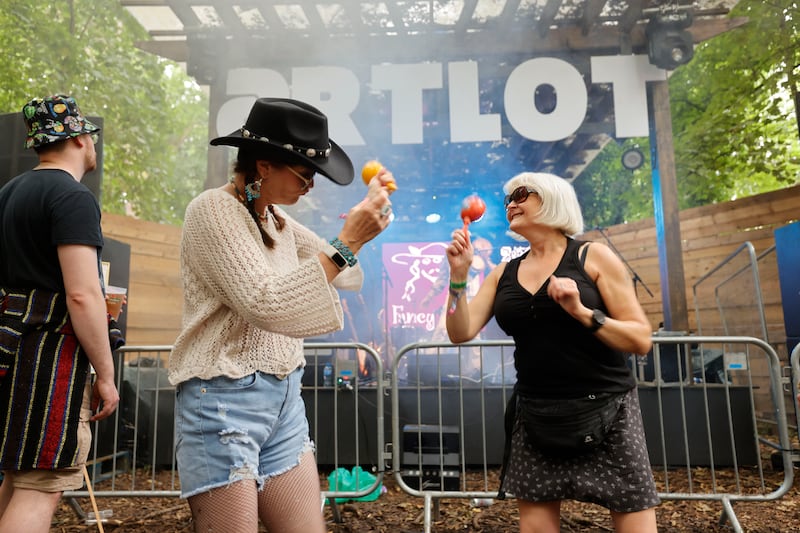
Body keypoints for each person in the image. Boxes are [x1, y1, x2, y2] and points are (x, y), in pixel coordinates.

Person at [168, 97, 394, 533]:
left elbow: (346, 275)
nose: (311, 185)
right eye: (305, 173)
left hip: (284, 399)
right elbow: (265, 303)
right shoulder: (212, 210)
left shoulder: (278, 222)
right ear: (265, 165)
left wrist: (369, 220)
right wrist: (347, 240)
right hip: (221, 399)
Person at [444, 172, 659, 533]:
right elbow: (459, 331)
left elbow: (640, 339)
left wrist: (582, 312)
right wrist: (457, 279)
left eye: (522, 194)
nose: (511, 203)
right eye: (508, 198)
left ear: (554, 198)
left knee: (634, 519)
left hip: (608, 408)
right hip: (536, 412)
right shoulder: (503, 273)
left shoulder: (593, 256)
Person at [0, 94, 120, 533]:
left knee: (19, 476)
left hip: (9, 352)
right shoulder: (72, 196)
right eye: (91, 136)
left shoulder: (8, 193)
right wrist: (105, 375)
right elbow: (83, 295)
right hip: (48, 364)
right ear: (80, 138)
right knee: (42, 483)